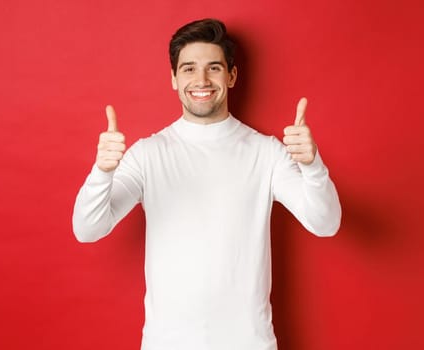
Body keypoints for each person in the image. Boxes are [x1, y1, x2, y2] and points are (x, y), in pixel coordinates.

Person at [72, 18, 341, 350]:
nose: (201, 80)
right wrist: (102, 172)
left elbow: (326, 223)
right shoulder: (148, 154)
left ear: (231, 76)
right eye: (188, 69)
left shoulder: (266, 153)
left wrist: (312, 165)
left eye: (213, 68)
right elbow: (87, 229)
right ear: (173, 78)